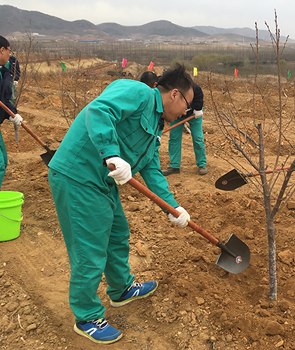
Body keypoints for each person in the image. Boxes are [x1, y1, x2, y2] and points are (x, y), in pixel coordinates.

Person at [48, 64, 195, 344]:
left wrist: (173, 208)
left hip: (101, 181)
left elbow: (151, 169)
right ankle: (87, 316)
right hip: (78, 175)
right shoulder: (137, 92)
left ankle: (121, 289)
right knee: (90, 249)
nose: (185, 114)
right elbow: (99, 111)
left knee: (117, 234)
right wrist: (112, 154)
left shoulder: (156, 124)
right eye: (187, 106)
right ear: (175, 94)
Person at [162, 82, 207, 176]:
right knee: (174, 138)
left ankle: (202, 164)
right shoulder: (171, 89)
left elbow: (199, 95)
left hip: (194, 114)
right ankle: (174, 166)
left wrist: (198, 109)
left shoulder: (194, 88)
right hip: (177, 114)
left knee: (198, 138)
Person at [0, 36, 22, 189]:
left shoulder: (3, 71)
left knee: (3, 161)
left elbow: (5, 98)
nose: (10, 54)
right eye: (9, 51)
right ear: (2, 50)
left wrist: (12, 114)